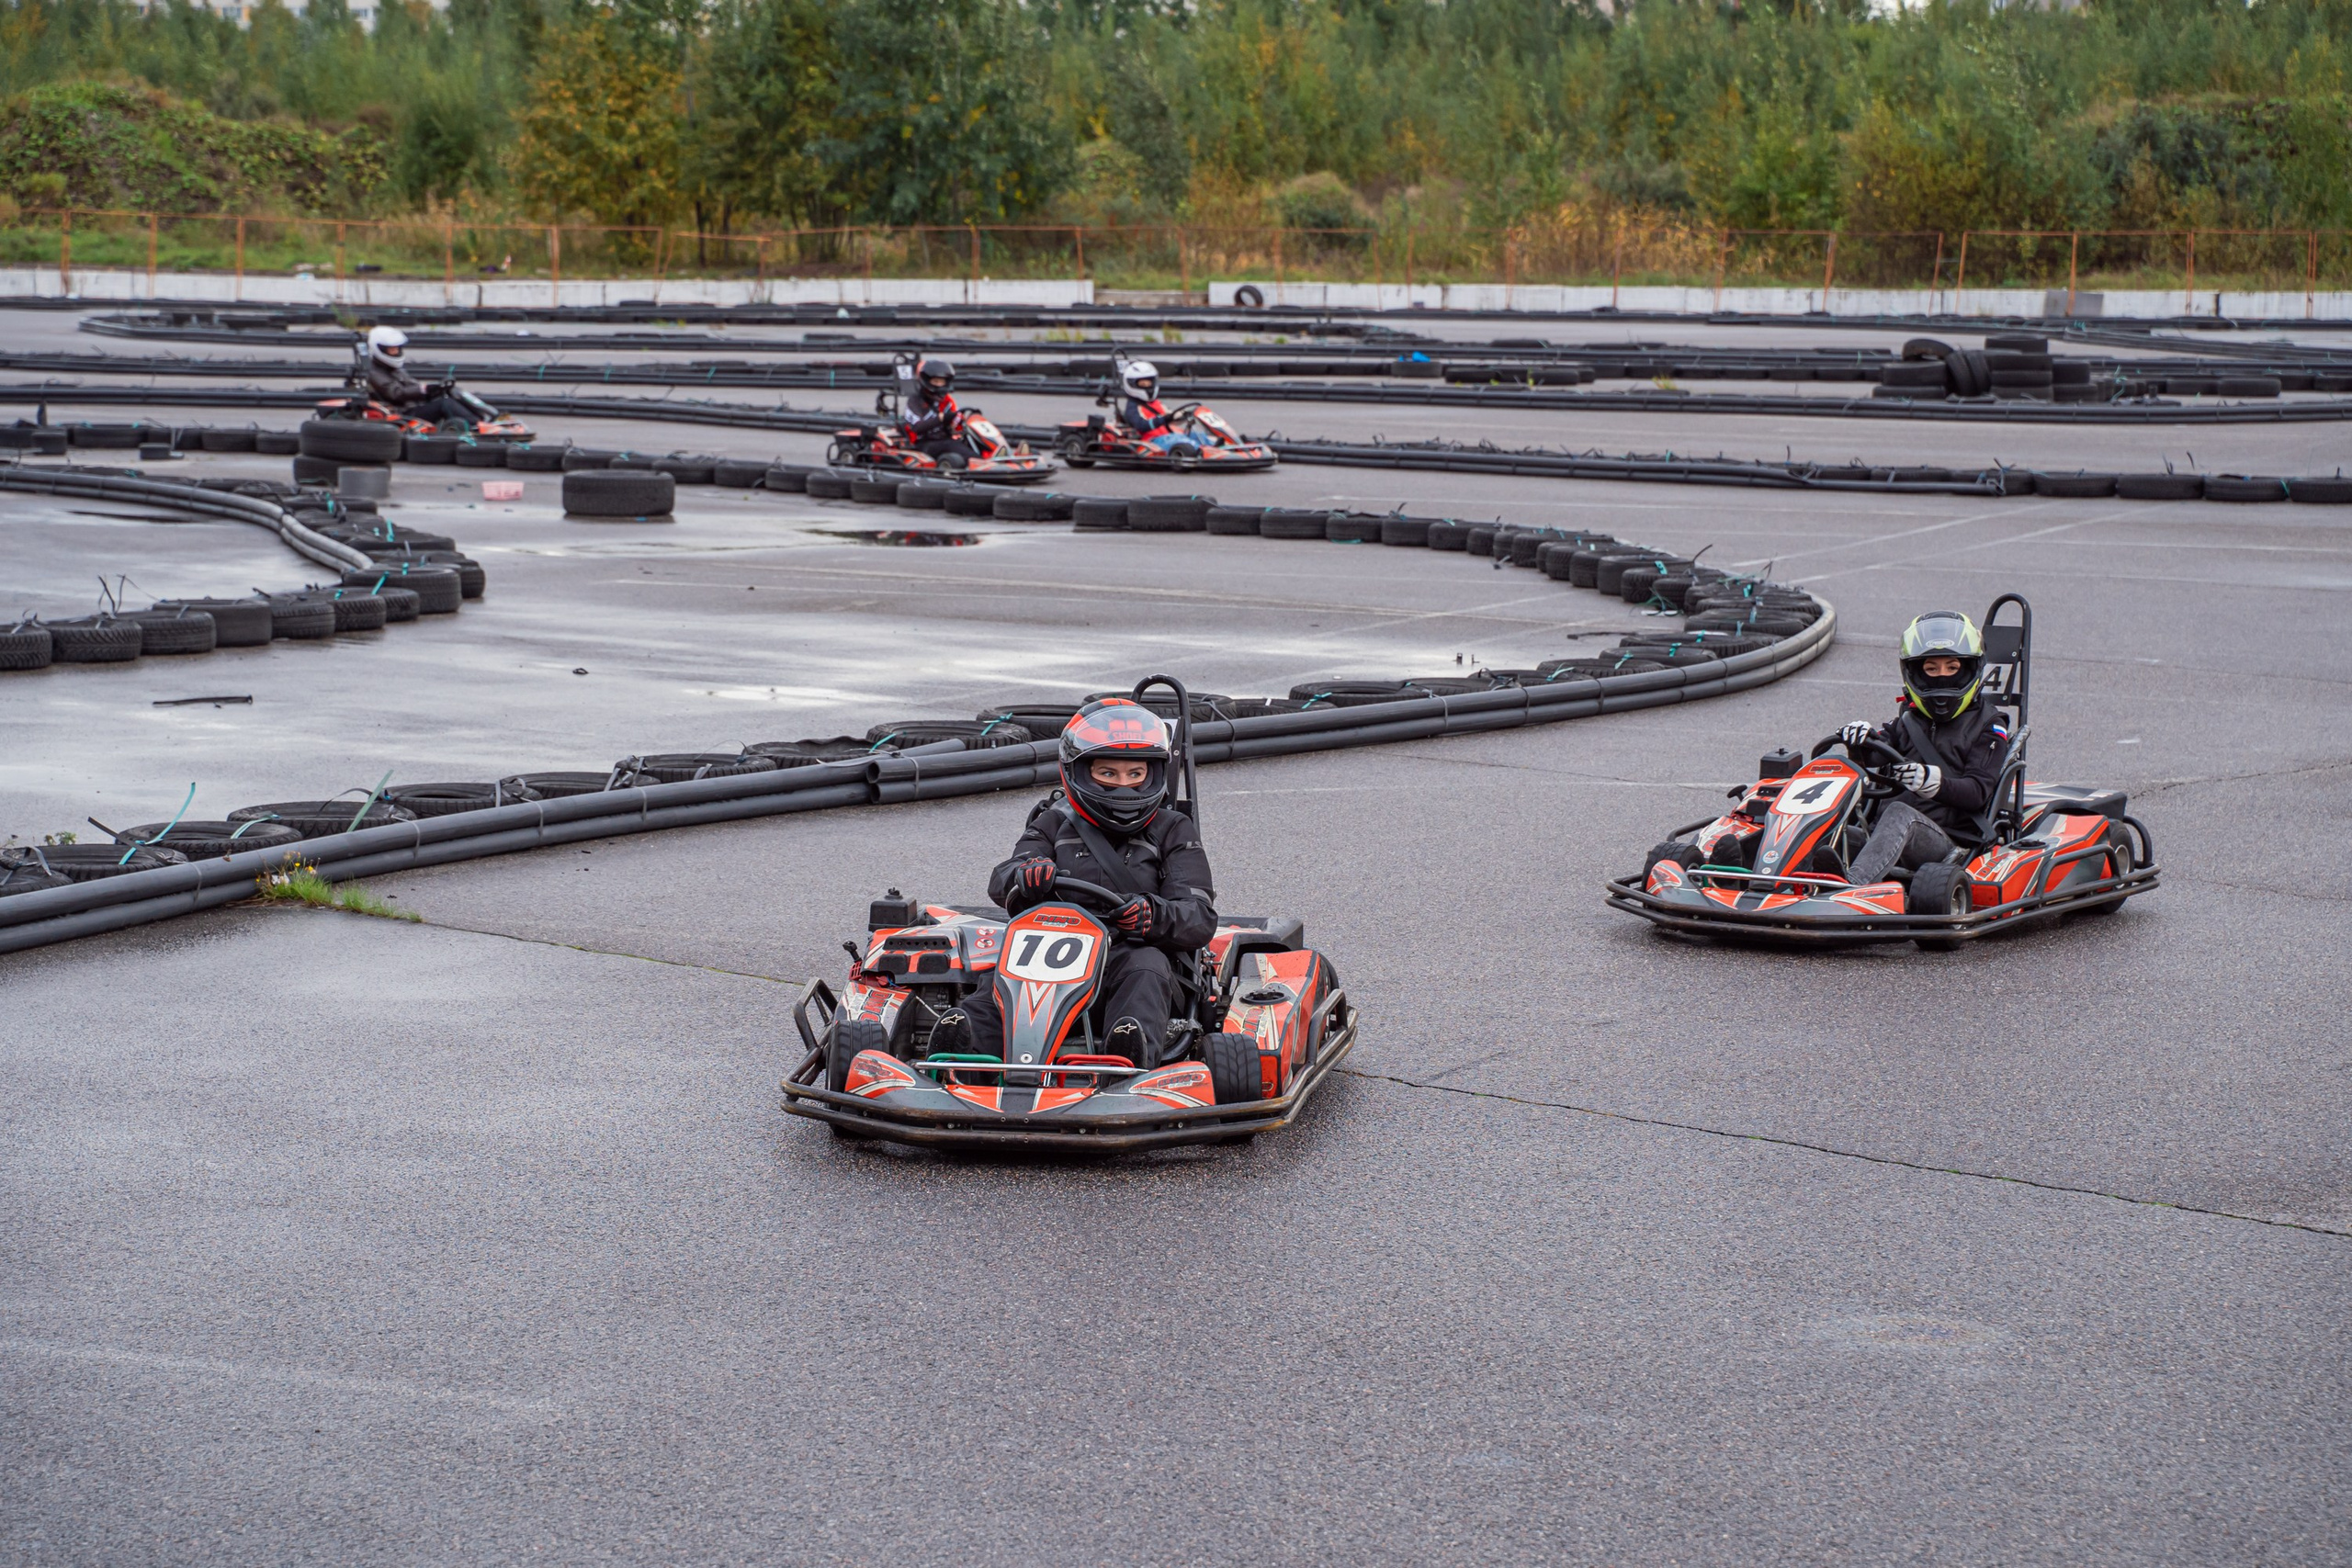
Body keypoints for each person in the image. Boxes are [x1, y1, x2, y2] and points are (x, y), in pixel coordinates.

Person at [930, 698, 1217, 1067]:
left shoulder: (1173, 829)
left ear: (1155, 774)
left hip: (1125, 955)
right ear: (1079, 772)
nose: (1124, 787)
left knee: (1145, 966)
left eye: (1135, 774)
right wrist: (1027, 875)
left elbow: (1198, 916)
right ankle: (965, 1050)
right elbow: (1003, 876)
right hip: (1049, 946)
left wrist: (1150, 915)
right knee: (1004, 968)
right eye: (1108, 774)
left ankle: (1126, 1056)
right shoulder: (1054, 821)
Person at [1838, 610, 2012, 886]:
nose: (1941, 677)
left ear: (1970, 669)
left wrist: (1934, 783)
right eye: (1931, 669)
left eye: (1952, 668)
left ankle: (1849, 889)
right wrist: (1857, 742)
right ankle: (1780, 878)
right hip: (1883, 839)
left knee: (1899, 814)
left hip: (1948, 845)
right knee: (1832, 814)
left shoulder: (1989, 726)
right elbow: (1872, 758)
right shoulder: (1908, 719)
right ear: (1915, 673)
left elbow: (1978, 792)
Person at [359, 326, 469, 427]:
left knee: (451, 394)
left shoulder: (394, 370)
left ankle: (481, 419)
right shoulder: (374, 373)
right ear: (380, 349)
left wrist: (434, 389)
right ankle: (476, 425)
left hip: (411, 407)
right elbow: (396, 393)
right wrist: (423, 389)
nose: (396, 352)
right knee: (444, 404)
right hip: (402, 414)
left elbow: (412, 385)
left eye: (397, 349)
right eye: (392, 350)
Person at [898, 356, 967, 461]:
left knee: (968, 440)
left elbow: (957, 421)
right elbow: (916, 428)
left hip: (944, 439)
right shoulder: (915, 401)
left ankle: (991, 459)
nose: (939, 385)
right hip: (922, 444)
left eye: (942, 381)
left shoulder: (947, 400)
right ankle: (981, 464)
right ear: (927, 380)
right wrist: (940, 419)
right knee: (950, 446)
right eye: (936, 381)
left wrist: (964, 420)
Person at [1116, 360, 1184, 446]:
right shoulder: (1132, 407)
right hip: (1151, 442)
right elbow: (1141, 425)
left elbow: (1169, 416)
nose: (1147, 386)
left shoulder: (1156, 403)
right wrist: (1164, 419)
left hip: (1166, 436)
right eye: (1143, 384)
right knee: (1181, 442)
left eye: (1149, 383)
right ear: (1131, 384)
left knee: (1198, 436)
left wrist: (1182, 415)